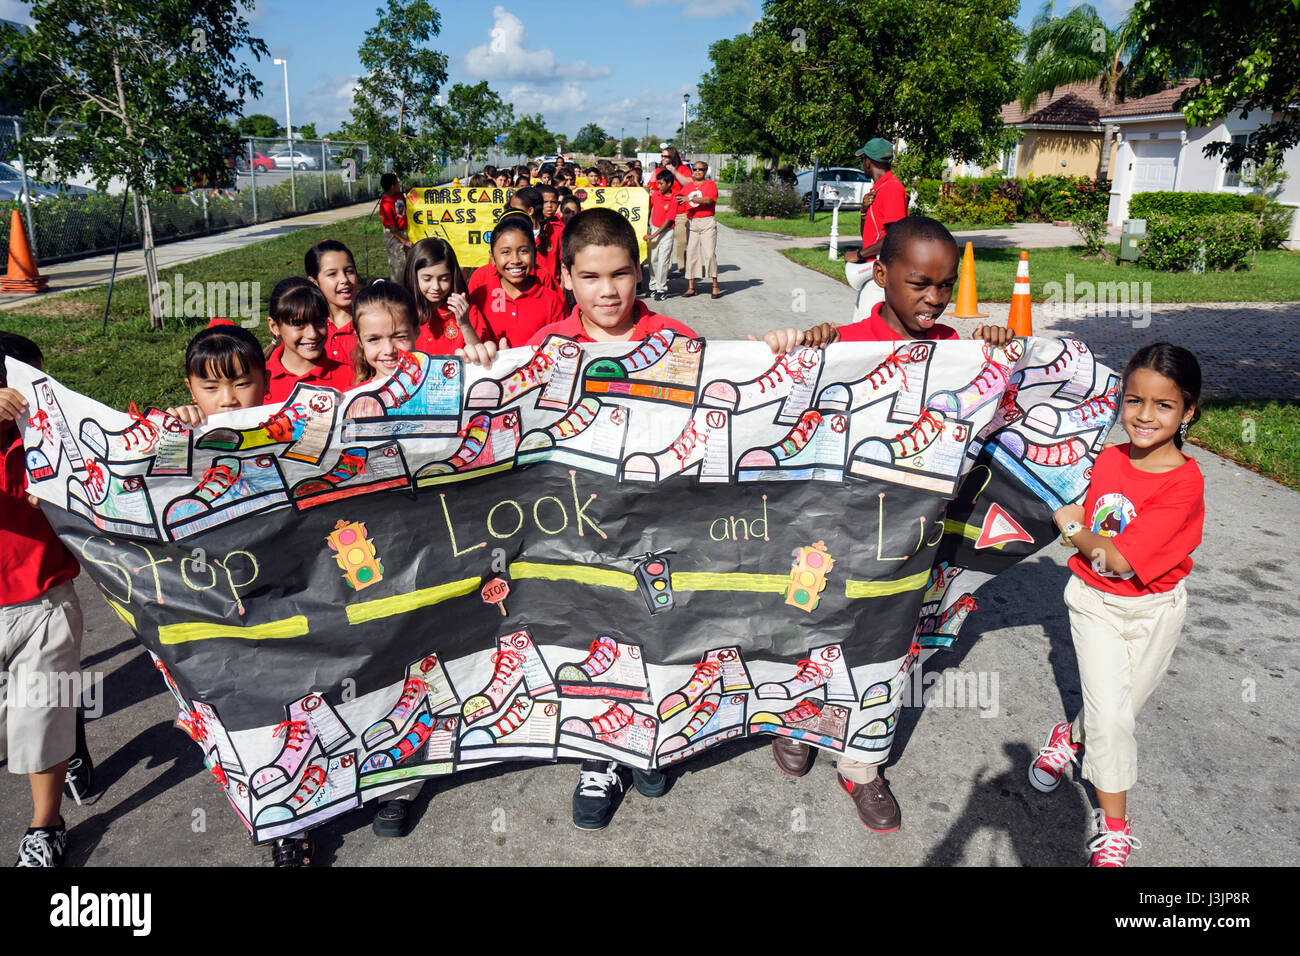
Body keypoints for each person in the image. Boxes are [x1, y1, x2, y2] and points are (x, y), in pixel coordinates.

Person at [760, 217, 1012, 834]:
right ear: (880, 275)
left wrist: (1004, 357)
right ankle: (802, 723)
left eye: (945, 286)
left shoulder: (962, 355)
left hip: (907, 546)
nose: (933, 298)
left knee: (890, 651)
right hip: (829, 533)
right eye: (919, 283)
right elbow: (768, 409)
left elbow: (1003, 428)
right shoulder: (843, 343)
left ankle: (862, 764)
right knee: (810, 629)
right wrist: (799, 350)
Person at [523, 209, 696, 828]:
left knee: (656, 630)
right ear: (566, 276)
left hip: (658, 524)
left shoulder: (676, 343)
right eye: (590, 276)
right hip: (577, 530)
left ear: (638, 271)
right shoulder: (544, 353)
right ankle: (600, 751)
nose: (607, 291)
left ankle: (650, 734)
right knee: (593, 636)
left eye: (620, 274)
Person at [1030, 343, 1204, 867]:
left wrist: (1074, 526)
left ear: (1188, 411)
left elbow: (1119, 560)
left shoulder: (1184, 484)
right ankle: (1115, 829)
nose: (1144, 416)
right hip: (1094, 605)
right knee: (1114, 722)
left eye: (1164, 405)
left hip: (1156, 611)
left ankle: (1069, 735)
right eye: (1134, 401)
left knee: (1116, 714)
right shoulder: (1106, 458)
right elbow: (1099, 563)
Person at [1, 332, 86, 867]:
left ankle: (45, 825)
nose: (32, 394)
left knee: (41, 719)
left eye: (41, 381)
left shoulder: (47, 436)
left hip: (45, 601)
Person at [467, 213, 566, 348]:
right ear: (492, 258)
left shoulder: (551, 300)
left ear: (535, 254)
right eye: (505, 252)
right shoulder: (480, 297)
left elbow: (562, 346)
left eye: (524, 251)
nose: (515, 260)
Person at [403, 237, 496, 365]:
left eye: (444, 279)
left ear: (453, 277)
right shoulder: (403, 312)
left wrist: (464, 324)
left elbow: (482, 358)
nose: (436, 286)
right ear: (413, 276)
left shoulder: (466, 311)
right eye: (427, 279)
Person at [843, 138, 908, 321]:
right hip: (872, 273)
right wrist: (863, 212)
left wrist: (860, 255)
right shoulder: (879, 189)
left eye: (862, 160)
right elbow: (869, 236)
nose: (862, 164)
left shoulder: (892, 188)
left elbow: (896, 238)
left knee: (866, 336)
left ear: (868, 161)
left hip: (881, 278)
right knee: (860, 327)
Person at [264, 277, 354, 404]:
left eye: (319, 322)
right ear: (274, 327)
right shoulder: (257, 381)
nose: (312, 334)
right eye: (298, 324)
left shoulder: (352, 377)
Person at [305, 239, 359, 372]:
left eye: (349, 271)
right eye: (332, 274)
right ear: (314, 282)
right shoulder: (308, 330)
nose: (344, 280)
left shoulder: (371, 321)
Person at [681, 161, 720, 299]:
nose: (697, 171)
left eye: (700, 169)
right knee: (691, 254)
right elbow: (679, 199)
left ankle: (715, 285)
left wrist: (690, 199)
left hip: (707, 221)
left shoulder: (710, 184)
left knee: (709, 254)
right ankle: (691, 287)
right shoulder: (688, 186)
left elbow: (709, 200)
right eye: (695, 169)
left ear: (705, 170)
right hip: (692, 223)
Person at [658, 145, 693, 273]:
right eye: (662, 156)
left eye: (666, 156)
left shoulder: (683, 169)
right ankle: (665, 269)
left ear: (672, 157)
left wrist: (674, 172)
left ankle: (683, 268)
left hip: (680, 211)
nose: (663, 158)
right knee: (665, 242)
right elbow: (653, 186)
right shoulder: (659, 170)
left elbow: (689, 184)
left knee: (681, 242)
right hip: (664, 212)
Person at [645, 169, 677, 301]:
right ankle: (653, 286)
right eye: (657, 183)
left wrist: (654, 235)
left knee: (663, 260)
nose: (658, 186)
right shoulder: (656, 195)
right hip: (654, 229)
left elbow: (669, 220)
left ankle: (661, 288)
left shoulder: (674, 198)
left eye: (661, 183)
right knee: (653, 260)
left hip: (666, 232)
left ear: (669, 184)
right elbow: (645, 206)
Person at [379, 173, 413, 285]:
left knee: (409, 261)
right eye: (397, 182)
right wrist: (404, 241)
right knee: (398, 264)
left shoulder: (398, 194)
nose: (400, 184)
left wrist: (410, 191)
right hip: (394, 234)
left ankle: (408, 288)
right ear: (393, 186)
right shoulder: (386, 204)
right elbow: (392, 228)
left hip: (404, 231)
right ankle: (397, 290)